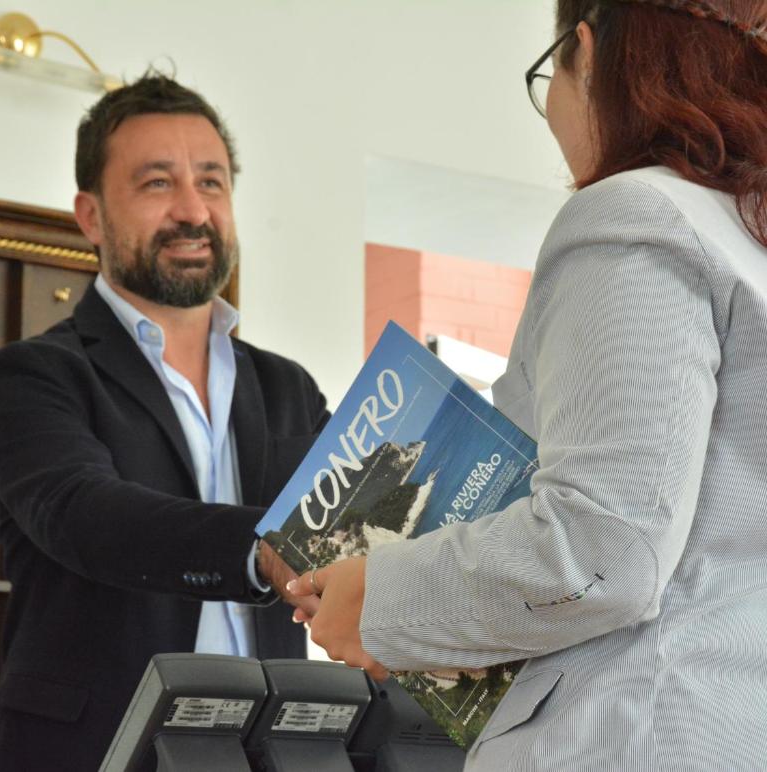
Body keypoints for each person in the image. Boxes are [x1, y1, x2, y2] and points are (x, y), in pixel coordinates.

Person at [289, 1, 767, 769]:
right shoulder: (746, 237)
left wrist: (380, 597)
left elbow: (603, 554)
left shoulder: (638, 214)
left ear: (587, 51)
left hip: (636, 733)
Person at [0, 75, 328, 771]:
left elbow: (350, 525)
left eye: (212, 182)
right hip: (88, 754)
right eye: (158, 183)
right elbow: (86, 514)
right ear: (92, 216)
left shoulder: (288, 387)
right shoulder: (34, 375)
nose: (193, 211)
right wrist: (261, 549)